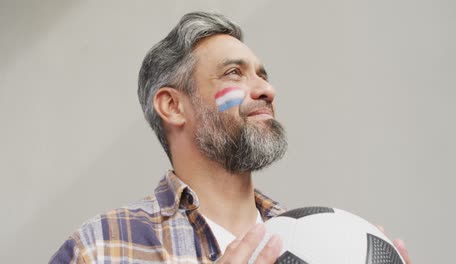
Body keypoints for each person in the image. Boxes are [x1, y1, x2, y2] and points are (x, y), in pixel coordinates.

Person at [50, 12, 411, 263]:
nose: (267, 89)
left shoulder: (324, 242)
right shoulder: (102, 247)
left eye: (262, 75)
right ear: (173, 106)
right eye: (234, 73)